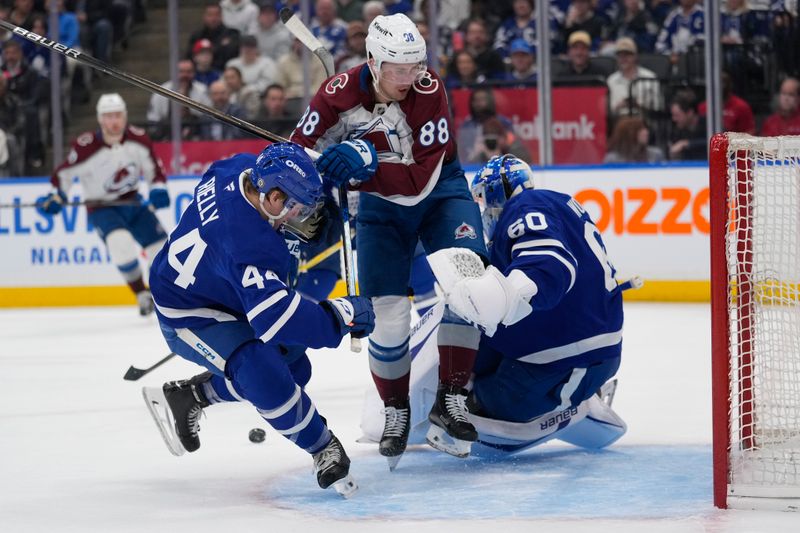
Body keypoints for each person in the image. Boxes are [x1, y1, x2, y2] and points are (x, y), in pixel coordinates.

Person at [291, 13, 488, 467]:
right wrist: (323, 169)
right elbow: (296, 153)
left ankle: (452, 397)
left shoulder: (428, 89)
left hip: (441, 192)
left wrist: (362, 159)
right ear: (373, 62)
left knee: (469, 283)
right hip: (379, 208)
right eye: (399, 70)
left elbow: (419, 179)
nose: (409, 77)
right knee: (388, 316)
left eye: (416, 66)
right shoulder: (336, 96)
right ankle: (396, 410)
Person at [142, 142, 375, 498]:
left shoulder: (236, 169)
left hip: (219, 289)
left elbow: (292, 167)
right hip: (189, 312)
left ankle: (194, 394)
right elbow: (277, 318)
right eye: (296, 209)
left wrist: (333, 167)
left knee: (296, 368)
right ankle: (322, 446)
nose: (302, 218)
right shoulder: (249, 244)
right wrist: (341, 315)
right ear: (274, 198)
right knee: (265, 374)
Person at [376, 154, 626, 455]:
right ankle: (581, 391)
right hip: (587, 348)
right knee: (469, 354)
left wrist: (509, 291)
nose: (483, 211)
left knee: (485, 402)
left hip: (560, 362)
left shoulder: (525, 206)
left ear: (497, 191)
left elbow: (548, 264)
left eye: (483, 200)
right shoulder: (558, 204)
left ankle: (574, 397)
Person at [38, 93, 169, 316]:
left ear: (125, 116)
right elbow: (64, 175)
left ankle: (163, 296)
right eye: (108, 116)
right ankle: (140, 293)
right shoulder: (86, 146)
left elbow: (153, 170)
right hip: (101, 207)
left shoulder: (139, 139)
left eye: (118, 115)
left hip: (133, 202)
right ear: (100, 119)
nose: (114, 121)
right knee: (121, 246)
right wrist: (56, 196)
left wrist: (158, 189)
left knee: (161, 250)